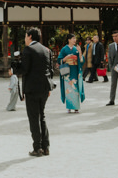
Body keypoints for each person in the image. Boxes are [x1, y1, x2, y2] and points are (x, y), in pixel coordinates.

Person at [22, 27, 52, 157]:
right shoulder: (46, 50)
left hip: (32, 88)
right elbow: (50, 70)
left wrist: (15, 68)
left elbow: (25, 70)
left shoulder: (28, 50)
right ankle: (46, 147)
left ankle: (37, 148)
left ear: (29, 36)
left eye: (25, 36)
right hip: (45, 88)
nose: (25, 39)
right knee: (42, 116)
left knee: (34, 118)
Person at [57, 33, 85, 113]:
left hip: (75, 70)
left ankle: (76, 107)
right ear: (69, 40)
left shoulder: (76, 48)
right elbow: (59, 59)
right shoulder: (64, 49)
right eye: (73, 38)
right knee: (68, 88)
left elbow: (82, 60)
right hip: (67, 72)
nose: (74, 40)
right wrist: (66, 58)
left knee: (75, 88)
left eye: (75, 38)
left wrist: (80, 53)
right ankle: (69, 107)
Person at [106, 31, 118, 105]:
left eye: (116, 36)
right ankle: (112, 100)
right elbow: (109, 57)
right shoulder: (111, 46)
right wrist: (111, 66)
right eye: (113, 36)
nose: (114, 38)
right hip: (114, 67)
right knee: (113, 84)